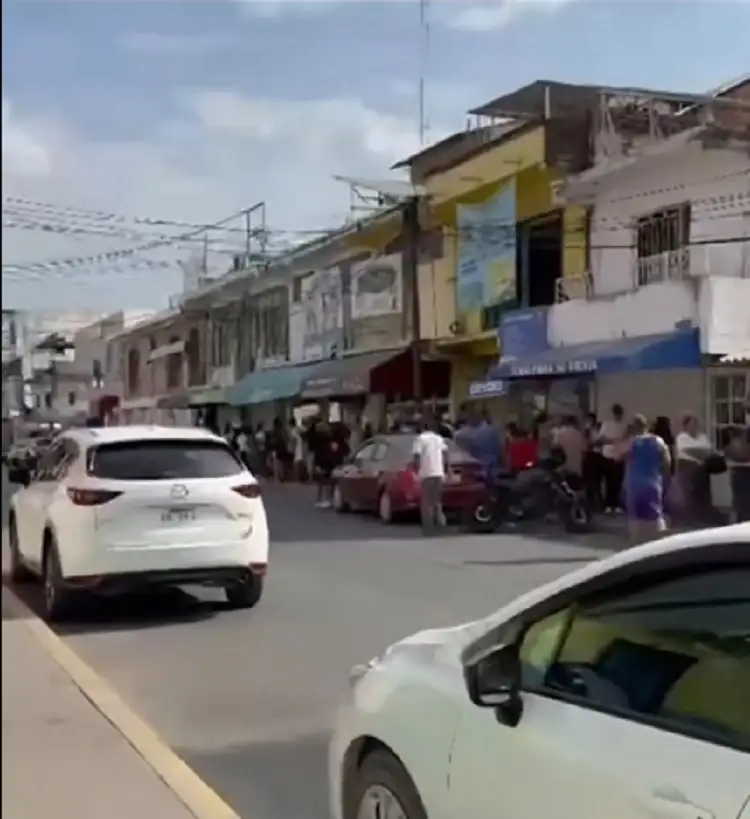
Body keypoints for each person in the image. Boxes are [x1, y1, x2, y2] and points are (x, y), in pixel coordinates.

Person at [623, 414, 671, 544]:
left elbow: (619, 456)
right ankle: (659, 545)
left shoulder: (632, 442)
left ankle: (636, 547)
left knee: (635, 519)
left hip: (635, 485)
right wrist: (663, 477)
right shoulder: (658, 441)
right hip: (653, 483)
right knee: (655, 515)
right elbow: (667, 462)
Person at [412, 417, 448, 534]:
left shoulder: (420, 439)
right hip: (438, 472)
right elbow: (445, 454)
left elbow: (417, 456)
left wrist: (416, 470)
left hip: (426, 473)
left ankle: (428, 527)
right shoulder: (439, 438)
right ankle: (441, 524)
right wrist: (446, 470)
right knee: (437, 500)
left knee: (427, 502)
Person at [597, 403, 627, 513]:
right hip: (608, 455)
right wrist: (613, 441)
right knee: (609, 481)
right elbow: (600, 439)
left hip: (619, 456)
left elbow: (625, 440)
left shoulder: (623, 426)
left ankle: (616, 503)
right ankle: (609, 504)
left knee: (618, 481)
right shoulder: (606, 425)